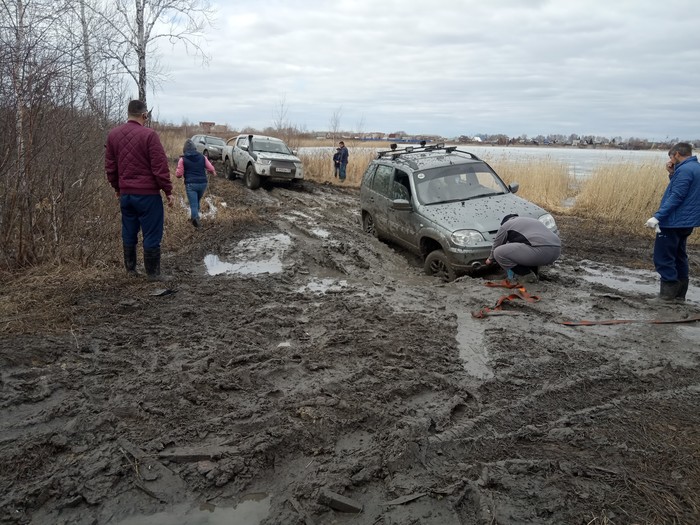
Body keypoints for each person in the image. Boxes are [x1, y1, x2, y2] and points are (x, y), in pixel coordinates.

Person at [105, 99, 174, 281]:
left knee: (129, 230)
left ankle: (131, 270)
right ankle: (153, 274)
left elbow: (110, 167)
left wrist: (117, 188)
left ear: (128, 113)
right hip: (148, 196)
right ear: (144, 115)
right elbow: (160, 167)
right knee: (151, 232)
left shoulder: (113, 135)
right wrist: (168, 191)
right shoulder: (150, 136)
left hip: (126, 195)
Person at [645, 142, 700, 302]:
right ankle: (680, 294)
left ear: (676, 154)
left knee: (663, 257)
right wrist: (672, 173)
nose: (670, 160)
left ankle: (667, 295)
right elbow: (687, 191)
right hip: (686, 222)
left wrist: (658, 216)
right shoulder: (695, 168)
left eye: (671, 156)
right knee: (679, 255)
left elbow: (677, 196)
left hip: (674, 221)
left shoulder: (684, 170)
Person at [485, 214, 561, 284]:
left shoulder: (506, 225)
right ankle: (534, 274)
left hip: (540, 251)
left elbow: (496, 245)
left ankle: (527, 276)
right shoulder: (531, 221)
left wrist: (490, 259)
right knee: (528, 247)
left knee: (498, 252)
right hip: (556, 251)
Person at [176, 138, 216, 228]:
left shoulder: (182, 159)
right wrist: (213, 172)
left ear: (184, 149)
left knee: (193, 204)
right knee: (197, 201)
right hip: (203, 184)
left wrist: (178, 174)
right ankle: (195, 217)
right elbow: (211, 168)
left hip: (191, 185)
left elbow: (179, 174)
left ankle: (196, 221)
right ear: (195, 148)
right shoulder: (202, 157)